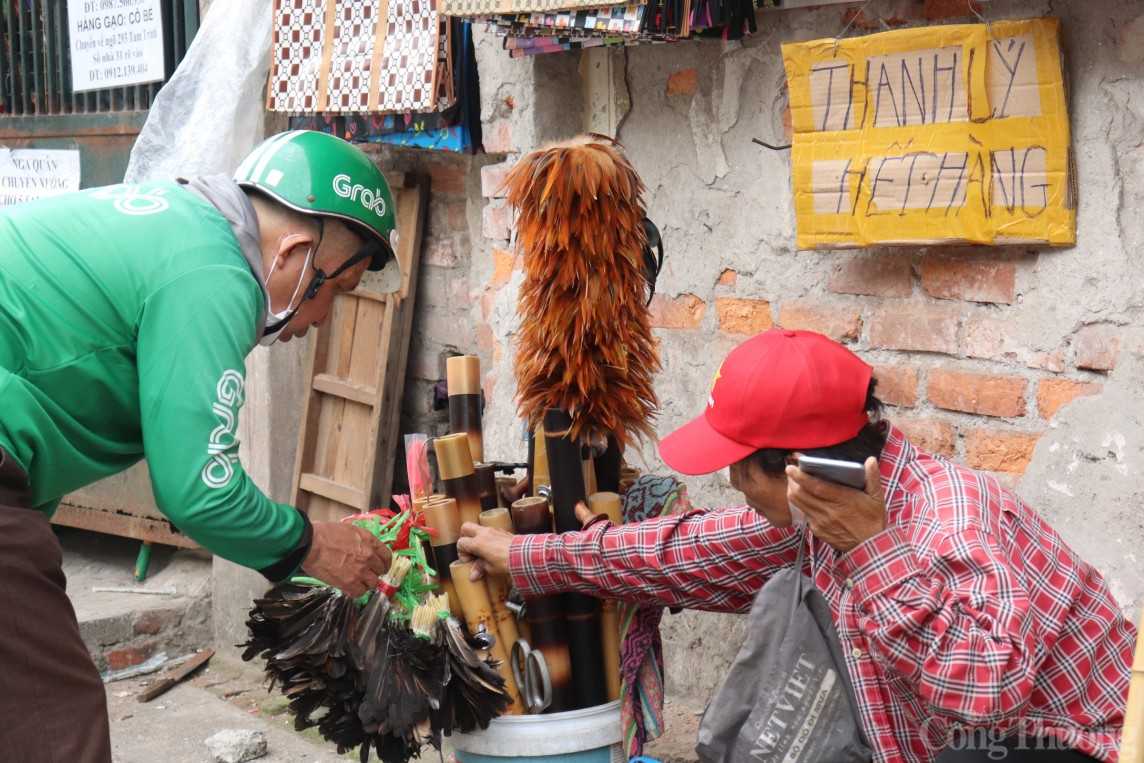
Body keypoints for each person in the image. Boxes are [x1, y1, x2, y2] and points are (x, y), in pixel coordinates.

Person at [457, 328, 1137, 763]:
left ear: (793, 466)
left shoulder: (944, 522)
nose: (729, 481)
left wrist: (875, 552)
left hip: (1066, 741)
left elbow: (980, 697)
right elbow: (692, 552)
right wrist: (526, 556)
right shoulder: (826, 507)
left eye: (739, 465)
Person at [0, 130, 398, 763]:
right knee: (52, 726)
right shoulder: (215, 275)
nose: (322, 320)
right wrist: (314, 545)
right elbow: (199, 491)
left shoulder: (179, 221)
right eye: (335, 292)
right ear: (294, 252)